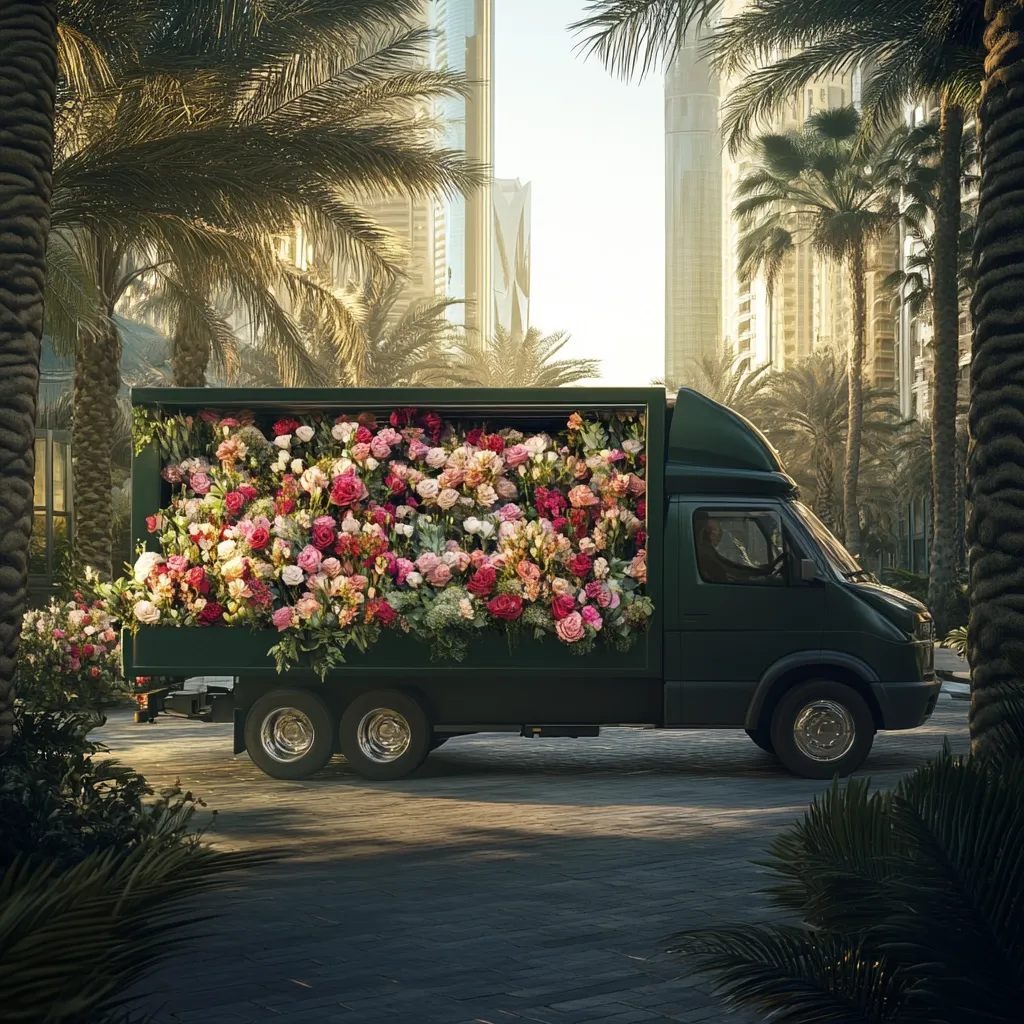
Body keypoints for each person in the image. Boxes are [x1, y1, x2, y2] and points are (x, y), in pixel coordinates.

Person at [694, 513, 779, 584]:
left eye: (720, 529)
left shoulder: (709, 552)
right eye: (714, 529)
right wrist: (758, 579)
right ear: (704, 531)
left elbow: (733, 568)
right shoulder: (705, 556)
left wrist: (761, 571)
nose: (720, 534)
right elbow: (728, 577)